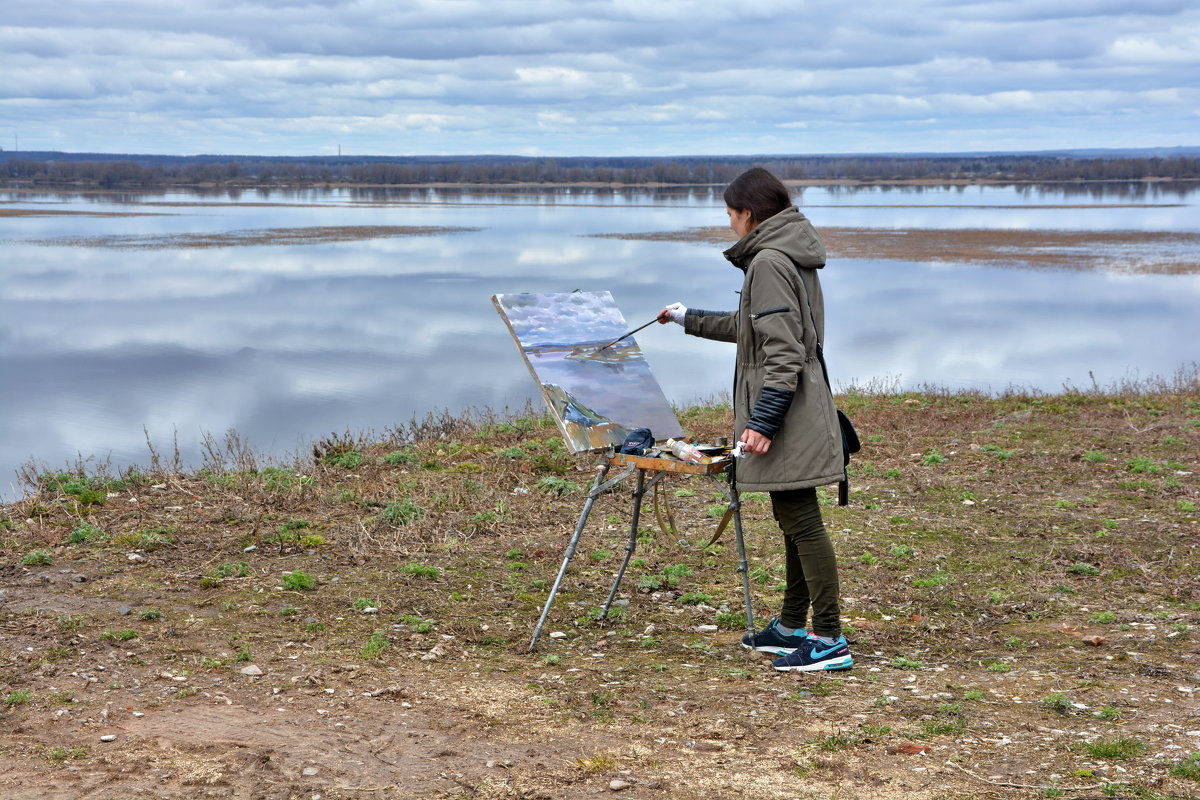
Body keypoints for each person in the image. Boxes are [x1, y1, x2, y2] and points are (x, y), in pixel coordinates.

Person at [657, 166, 852, 672]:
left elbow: (783, 353)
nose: (729, 224)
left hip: (789, 411)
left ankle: (829, 638)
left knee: (802, 521)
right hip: (800, 404)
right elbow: (752, 329)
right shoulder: (788, 254)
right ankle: (791, 625)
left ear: (748, 213)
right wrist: (686, 318)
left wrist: (763, 422)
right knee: (793, 515)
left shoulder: (767, 261)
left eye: (729, 214)